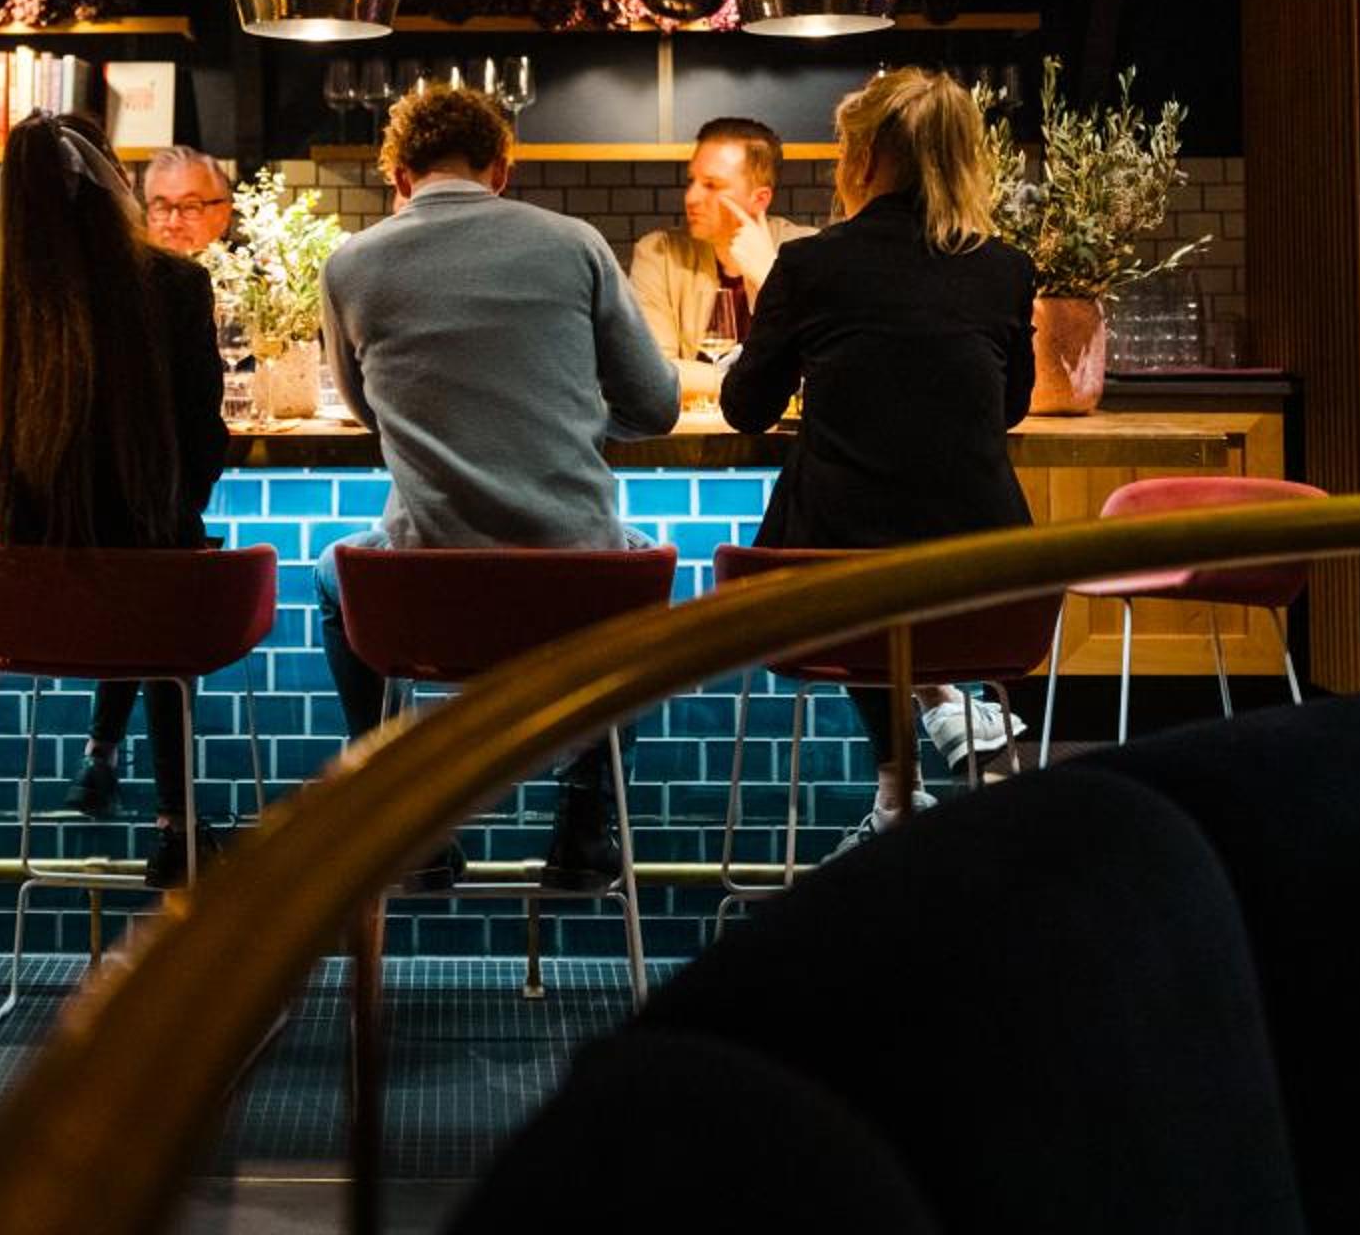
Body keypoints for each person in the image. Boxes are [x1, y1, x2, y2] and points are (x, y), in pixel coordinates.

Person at [314, 83, 680, 889]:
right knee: (640, 583)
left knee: (334, 575)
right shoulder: (576, 243)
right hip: (576, 593)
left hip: (424, 596)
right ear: (502, 171)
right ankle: (584, 822)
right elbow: (656, 408)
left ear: (398, 177)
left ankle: (403, 820)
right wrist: (573, 416)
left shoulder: (350, 264)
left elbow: (370, 413)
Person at [719, 67, 1037, 854]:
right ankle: (936, 725)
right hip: (989, 586)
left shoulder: (811, 264)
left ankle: (901, 788)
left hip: (829, 588)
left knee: (844, 524)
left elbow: (745, 409)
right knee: (879, 536)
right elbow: (1010, 407)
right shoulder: (1004, 268)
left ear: (861, 158)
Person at [0, 110, 232, 888]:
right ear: (115, 184)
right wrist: (169, 512)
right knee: (157, 554)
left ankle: (101, 758)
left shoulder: (12, 301)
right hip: (156, 589)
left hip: (33, 606)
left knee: (140, 555)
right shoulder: (177, 284)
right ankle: (176, 822)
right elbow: (205, 440)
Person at [627, 116, 817, 403]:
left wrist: (768, 277)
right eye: (692, 181)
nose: (691, 197)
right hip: (692, 429)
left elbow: (819, 368)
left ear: (759, 199)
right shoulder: (659, 253)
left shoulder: (807, 250)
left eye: (712, 185)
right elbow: (651, 371)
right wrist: (751, 382)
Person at [140, 146, 238, 258]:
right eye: (162, 208)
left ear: (223, 216)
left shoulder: (245, 267)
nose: (173, 224)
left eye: (190, 208)